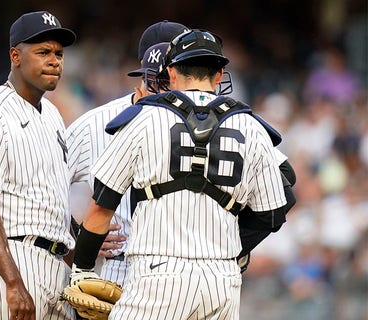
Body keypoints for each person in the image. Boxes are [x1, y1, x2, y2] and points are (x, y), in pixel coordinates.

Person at [70, 29, 296, 319]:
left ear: (172, 72)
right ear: (219, 75)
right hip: (222, 280)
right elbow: (274, 212)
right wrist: (234, 246)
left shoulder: (145, 117)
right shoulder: (249, 124)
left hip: (158, 274)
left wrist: (82, 269)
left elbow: (102, 204)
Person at [0, 10, 77, 320]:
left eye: (59, 53)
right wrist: (13, 282)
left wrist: (83, 268)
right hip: (10, 259)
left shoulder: (51, 115)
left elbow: (55, 203)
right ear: (15, 56)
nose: (55, 61)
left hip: (54, 261)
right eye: (43, 52)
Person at [67, 20, 188, 287]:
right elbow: (44, 189)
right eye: (161, 80)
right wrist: (75, 234)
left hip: (188, 271)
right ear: (144, 74)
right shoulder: (95, 125)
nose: (170, 88)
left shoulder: (206, 121)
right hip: (122, 269)